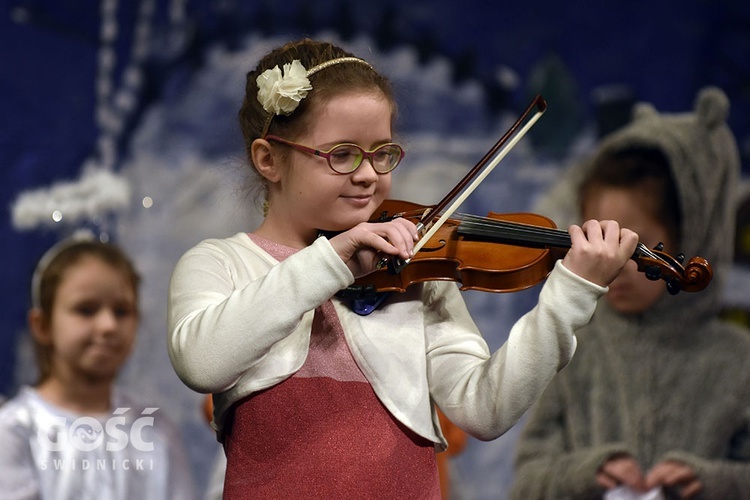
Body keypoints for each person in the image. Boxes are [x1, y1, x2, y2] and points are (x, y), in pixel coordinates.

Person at [167, 38, 638, 498]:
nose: (369, 174)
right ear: (269, 158)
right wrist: (333, 260)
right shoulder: (220, 263)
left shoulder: (411, 269)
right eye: (342, 154)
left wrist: (571, 297)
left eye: (382, 152)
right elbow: (203, 362)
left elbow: (485, 408)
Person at [510, 86, 750, 499]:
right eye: (597, 241)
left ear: (690, 237)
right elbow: (526, 483)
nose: (614, 264)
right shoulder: (571, 345)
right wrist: (585, 474)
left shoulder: (737, 358)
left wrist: (712, 482)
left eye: (636, 245)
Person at [0, 235, 197, 499]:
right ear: (43, 325)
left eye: (121, 311)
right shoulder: (15, 430)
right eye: (86, 309)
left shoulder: (156, 429)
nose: (108, 325)